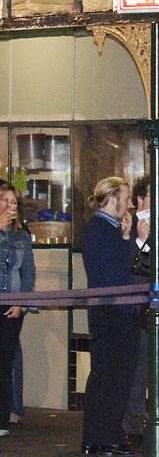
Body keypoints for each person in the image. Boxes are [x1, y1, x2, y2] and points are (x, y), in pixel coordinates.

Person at [81, 177, 139, 456]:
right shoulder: (98, 230)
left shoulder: (111, 230)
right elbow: (116, 273)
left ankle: (110, 434)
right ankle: (100, 437)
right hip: (111, 312)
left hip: (119, 311)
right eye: (126, 198)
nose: (129, 205)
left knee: (119, 377)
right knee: (108, 377)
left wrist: (127, 238)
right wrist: (128, 240)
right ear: (114, 199)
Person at [0, 184, 35, 438]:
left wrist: (20, 302)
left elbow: (27, 272)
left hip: (12, 303)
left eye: (13, 202)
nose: (9, 206)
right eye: (4, 200)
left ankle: (3, 417)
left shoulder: (22, 236)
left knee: (5, 362)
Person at [122, 175, 152, 449]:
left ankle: (150, 420)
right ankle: (132, 426)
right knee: (137, 371)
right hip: (135, 309)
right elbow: (129, 267)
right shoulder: (130, 227)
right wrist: (141, 242)